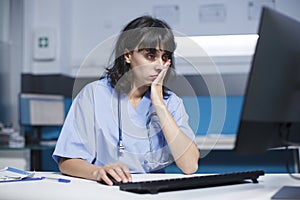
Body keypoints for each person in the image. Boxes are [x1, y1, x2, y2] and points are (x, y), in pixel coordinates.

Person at [52, 15, 200, 186]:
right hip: (103, 189)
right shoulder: (93, 95)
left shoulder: (171, 102)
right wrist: (97, 172)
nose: (159, 64)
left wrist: (158, 102)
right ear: (128, 55)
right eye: (150, 55)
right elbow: (67, 161)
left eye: (165, 57)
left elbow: (189, 166)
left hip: (150, 192)